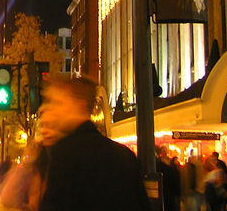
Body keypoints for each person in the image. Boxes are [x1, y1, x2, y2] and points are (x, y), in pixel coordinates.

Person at [37, 75, 150, 211]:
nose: (50, 110)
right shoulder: (124, 155)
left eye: (57, 103)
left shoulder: (65, 154)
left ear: (78, 104)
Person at [156, 145, 181, 211]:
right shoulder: (161, 163)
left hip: (169, 189)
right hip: (167, 189)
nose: (165, 152)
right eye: (163, 151)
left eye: (165, 151)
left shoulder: (170, 162)